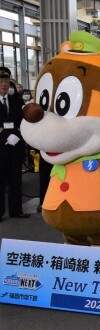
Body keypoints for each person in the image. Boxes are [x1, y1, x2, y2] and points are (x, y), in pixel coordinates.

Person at [0, 65, 28, 220]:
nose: (3, 84)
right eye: (1, 81)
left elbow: (20, 121)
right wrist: (5, 137)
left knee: (15, 178)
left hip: (15, 145)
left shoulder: (15, 100)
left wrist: (16, 135)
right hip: (0, 146)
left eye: (5, 80)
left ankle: (16, 210)